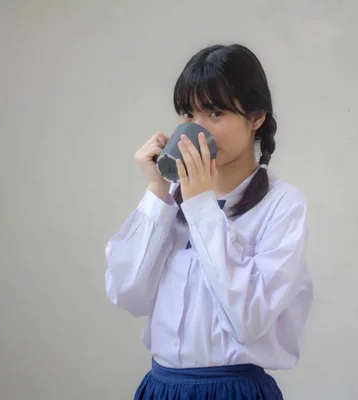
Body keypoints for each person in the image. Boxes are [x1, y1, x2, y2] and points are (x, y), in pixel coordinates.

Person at [104, 43, 314, 399]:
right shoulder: (169, 199)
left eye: (215, 113)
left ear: (256, 118)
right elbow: (129, 295)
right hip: (163, 387)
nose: (197, 129)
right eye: (188, 114)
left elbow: (248, 319)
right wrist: (157, 193)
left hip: (235, 389)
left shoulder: (282, 204)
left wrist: (202, 204)